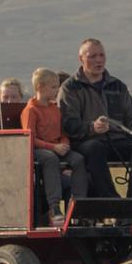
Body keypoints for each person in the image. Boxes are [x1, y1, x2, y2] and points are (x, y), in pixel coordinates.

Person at [59, 38, 132, 198]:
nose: (98, 60)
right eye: (92, 56)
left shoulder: (118, 86)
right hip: (86, 143)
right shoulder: (70, 88)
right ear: (81, 58)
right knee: (94, 148)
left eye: (101, 55)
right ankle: (112, 202)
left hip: (119, 141)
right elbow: (68, 124)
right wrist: (92, 128)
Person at [22, 67, 86, 225]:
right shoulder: (31, 110)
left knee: (78, 159)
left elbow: (63, 132)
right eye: (53, 87)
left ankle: (78, 205)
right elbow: (30, 138)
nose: (57, 90)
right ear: (40, 88)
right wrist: (53, 148)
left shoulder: (55, 109)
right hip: (38, 150)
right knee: (50, 159)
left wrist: (64, 143)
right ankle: (54, 206)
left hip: (57, 147)